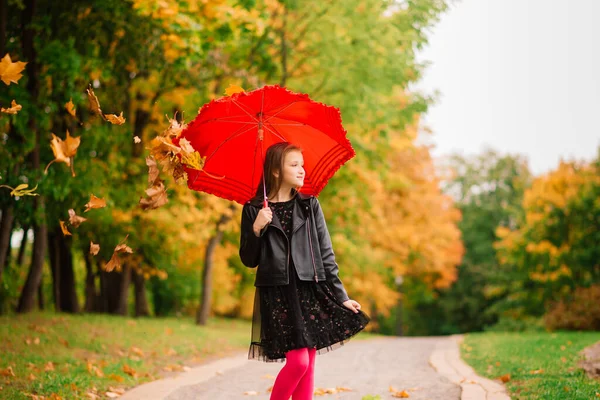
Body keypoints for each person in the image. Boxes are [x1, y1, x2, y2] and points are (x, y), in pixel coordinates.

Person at [239, 142, 370, 400]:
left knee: (308, 365)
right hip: (277, 293)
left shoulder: (310, 205)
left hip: (310, 289)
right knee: (298, 362)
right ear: (276, 171)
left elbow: (326, 254)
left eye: (302, 164)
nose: (302, 170)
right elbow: (248, 259)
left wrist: (341, 295)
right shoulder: (254, 209)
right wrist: (256, 228)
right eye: (294, 164)